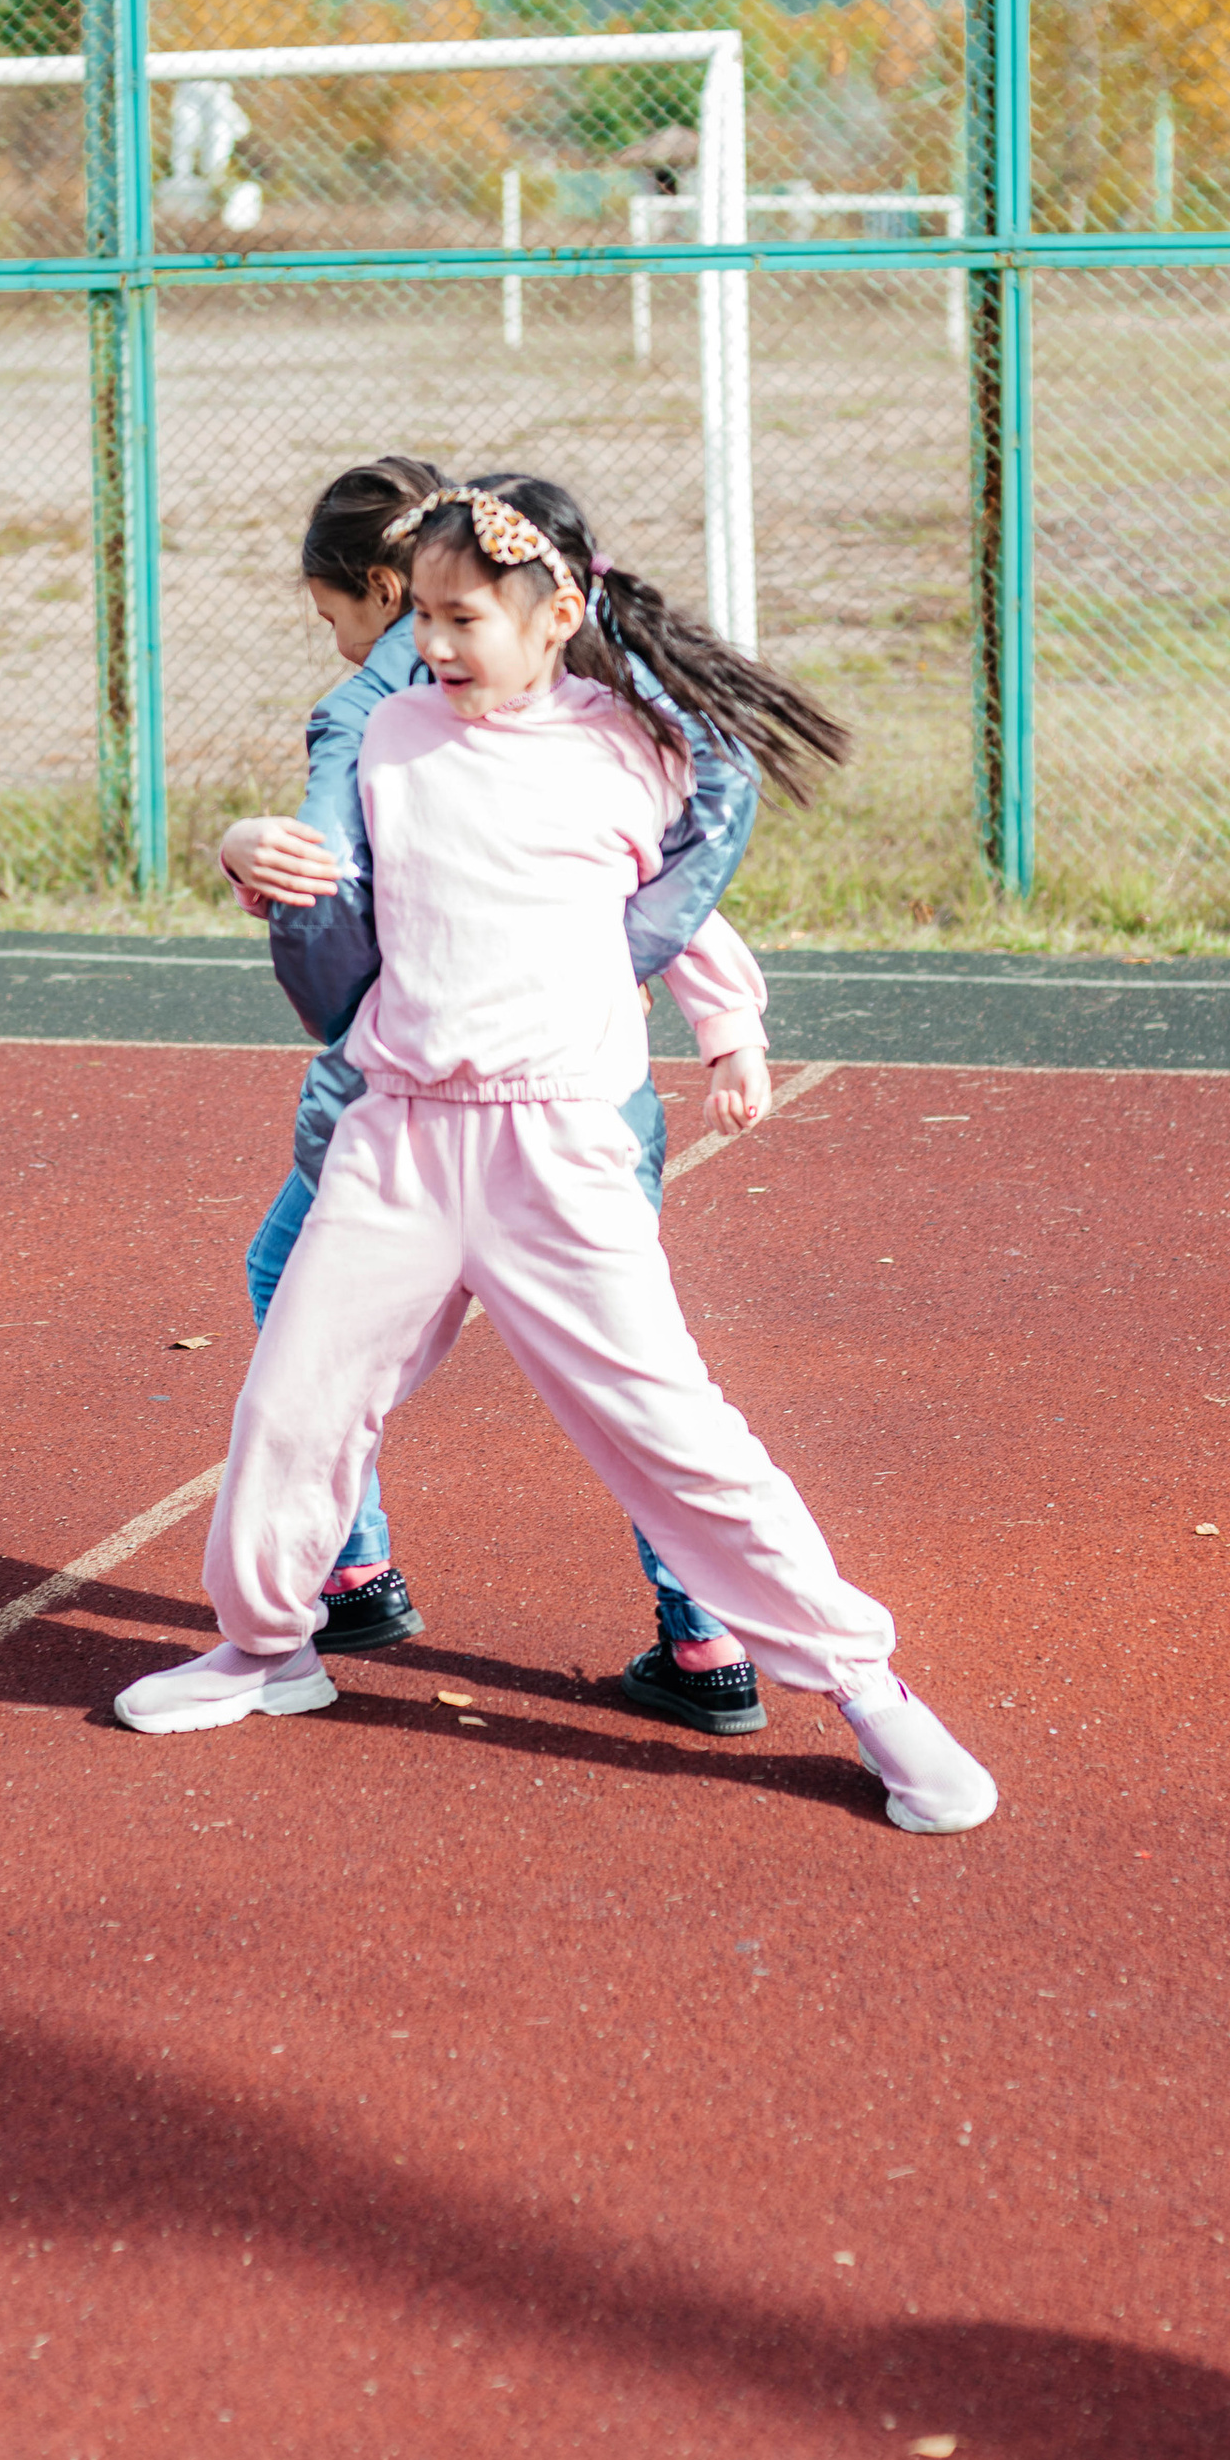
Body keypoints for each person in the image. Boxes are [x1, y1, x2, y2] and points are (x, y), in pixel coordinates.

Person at [126, 473, 998, 1840]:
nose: (432, 642)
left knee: (672, 1428)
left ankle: (866, 1687)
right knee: (295, 1405)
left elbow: (671, 902)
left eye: (464, 616)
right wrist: (244, 851)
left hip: (561, 1149)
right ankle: (265, 1647)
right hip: (397, 1136)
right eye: (420, 614)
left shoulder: (633, 749)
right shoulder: (391, 735)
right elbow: (332, 881)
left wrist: (731, 1024)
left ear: (556, 616)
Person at [216, 455, 780, 1736]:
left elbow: (343, 885)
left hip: (460, 1111)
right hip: (522, 1110)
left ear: (384, 590)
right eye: (419, 619)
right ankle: (696, 1634)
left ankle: (350, 1573)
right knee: (627, 1385)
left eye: (350, 616)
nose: (401, 643)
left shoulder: (409, 720)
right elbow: (648, 875)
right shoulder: (505, 712)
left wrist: (722, 1016)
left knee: (328, 1317)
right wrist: (725, 1022)